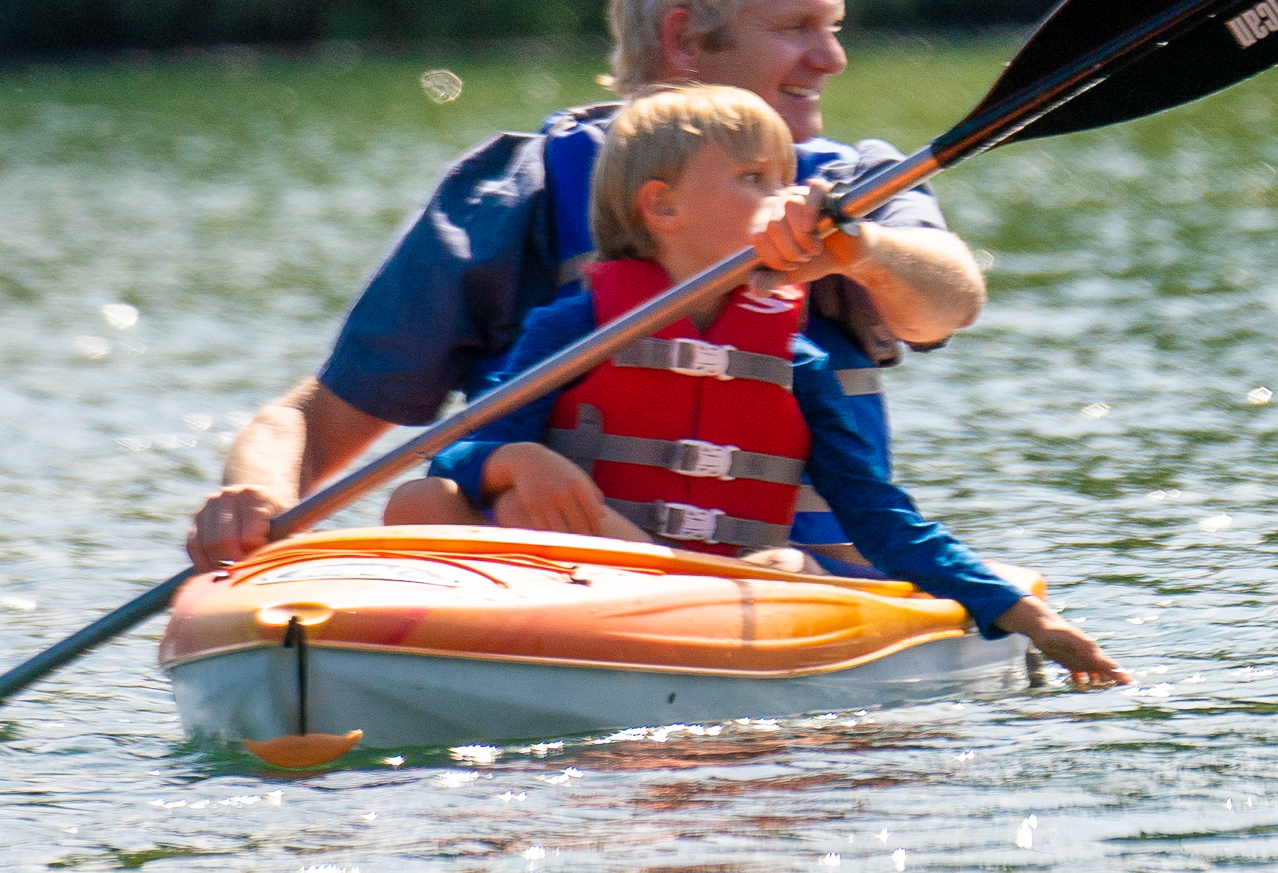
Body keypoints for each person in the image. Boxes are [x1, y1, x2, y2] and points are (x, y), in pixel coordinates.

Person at [180, 0, 989, 565]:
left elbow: (947, 300)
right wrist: (251, 496)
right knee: (421, 498)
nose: (831, 58)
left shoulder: (847, 186)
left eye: (832, 26)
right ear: (684, 41)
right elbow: (309, 421)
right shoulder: (512, 197)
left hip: (790, 589)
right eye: (794, 30)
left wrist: (863, 250)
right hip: (569, 588)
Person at [434, 85, 1122, 685]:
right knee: (424, 499)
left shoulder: (797, 365)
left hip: (717, 596)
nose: (786, 200)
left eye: (789, 179)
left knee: (791, 567)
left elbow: (879, 519)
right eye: (755, 178)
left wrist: (1023, 614)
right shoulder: (573, 330)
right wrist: (509, 459)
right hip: (588, 584)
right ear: (662, 208)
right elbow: (457, 459)